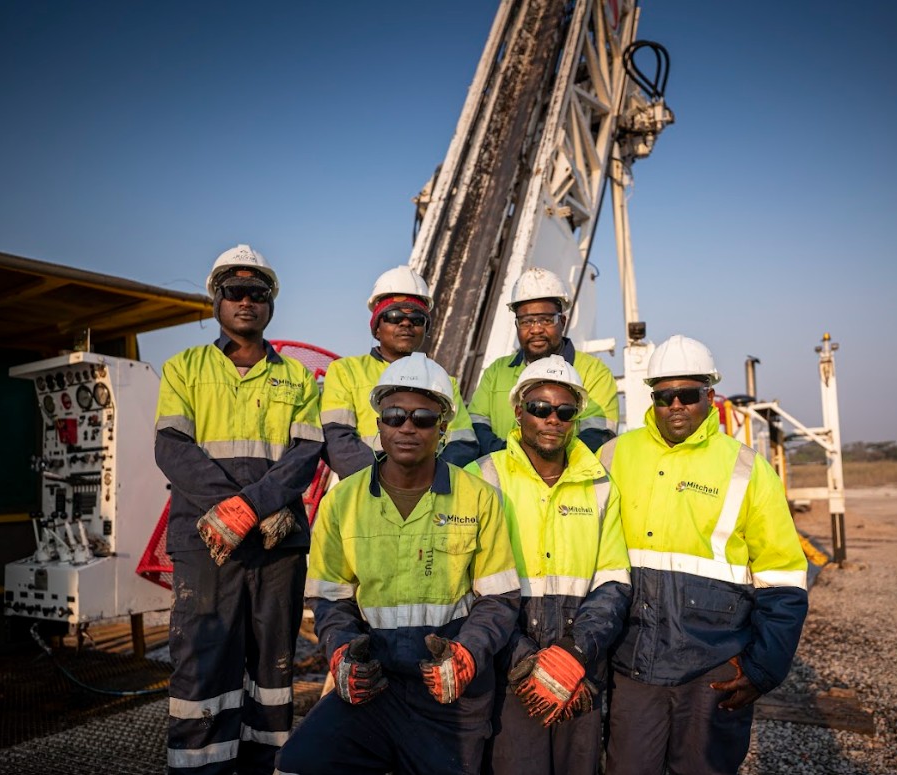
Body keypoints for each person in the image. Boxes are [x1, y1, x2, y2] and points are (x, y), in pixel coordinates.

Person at [275, 353, 521, 775]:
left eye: (423, 418)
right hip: (375, 684)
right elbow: (331, 599)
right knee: (298, 765)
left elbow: (499, 599)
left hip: (448, 695)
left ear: (442, 427)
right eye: (395, 415)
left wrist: (466, 654)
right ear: (379, 424)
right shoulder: (342, 502)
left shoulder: (479, 497)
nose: (408, 427)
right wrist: (342, 654)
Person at [598, 335, 809, 775]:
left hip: (712, 670)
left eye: (688, 394)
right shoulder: (614, 456)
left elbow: (784, 579)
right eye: (664, 396)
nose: (676, 405)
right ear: (652, 398)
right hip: (632, 663)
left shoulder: (747, 469)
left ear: (709, 397)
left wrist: (762, 668)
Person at [155, 244, 323, 775]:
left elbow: (306, 454)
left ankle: (262, 766)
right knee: (201, 664)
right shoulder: (183, 369)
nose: (246, 301)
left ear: (271, 304)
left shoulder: (297, 379)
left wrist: (250, 507)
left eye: (258, 293)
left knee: (273, 668)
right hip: (207, 545)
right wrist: (232, 508)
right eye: (235, 291)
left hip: (276, 547)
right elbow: (172, 449)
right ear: (216, 301)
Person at [465, 355, 631, 775]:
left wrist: (574, 655)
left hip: (580, 668)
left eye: (564, 410)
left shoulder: (600, 485)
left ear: (575, 417)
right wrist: (526, 663)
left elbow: (613, 582)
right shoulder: (481, 478)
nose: (551, 419)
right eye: (539, 408)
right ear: (518, 411)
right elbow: (467, 585)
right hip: (509, 666)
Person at [322, 265, 478, 475]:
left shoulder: (445, 381)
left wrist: (425, 482)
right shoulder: (345, 371)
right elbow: (336, 440)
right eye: (394, 316)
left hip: (429, 496)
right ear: (377, 328)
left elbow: (463, 443)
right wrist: (386, 480)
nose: (406, 323)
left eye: (417, 319)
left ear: (425, 329)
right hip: (365, 491)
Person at [468, 267, 618, 454]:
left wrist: (544, 463)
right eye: (526, 321)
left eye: (546, 320)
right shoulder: (497, 371)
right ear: (517, 325)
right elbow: (476, 425)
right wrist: (511, 460)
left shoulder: (594, 372)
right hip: (501, 478)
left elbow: (599, 436)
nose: (536, 329)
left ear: (562, 322)